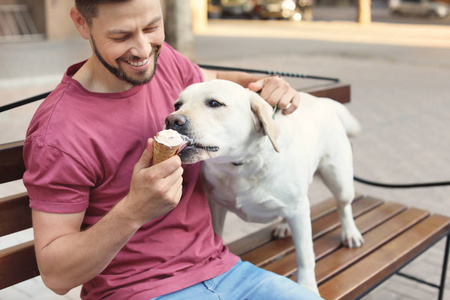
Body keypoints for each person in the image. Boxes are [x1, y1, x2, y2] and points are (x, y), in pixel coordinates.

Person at [22, 0, 321, 299]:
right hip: (137, 289)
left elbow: (213, 80)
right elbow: (56, 276)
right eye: (121, 36)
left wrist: (266, 86)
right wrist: (133, 211)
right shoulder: (58, 133)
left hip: (224, 269)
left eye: (152, 27)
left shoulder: (162, 61)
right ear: (81, 23)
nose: (142, 50)